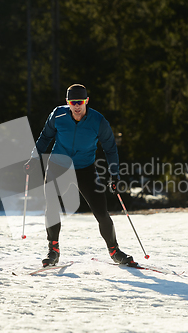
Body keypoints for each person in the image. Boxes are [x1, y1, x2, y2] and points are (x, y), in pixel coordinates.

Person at [24, 83, 136, 267]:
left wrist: (114, 175)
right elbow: (45, 137)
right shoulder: (58, 115)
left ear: (87, 101)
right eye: (73, 102)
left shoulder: (98, 121)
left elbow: (110, 148)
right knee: (51, 207)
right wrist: (33, 159)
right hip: (57, 166)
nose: (77, 106)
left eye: (80, 101)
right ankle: (53, 250)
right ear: (67, 102)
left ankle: (114, 251)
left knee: (101, 211)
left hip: (85, 169)